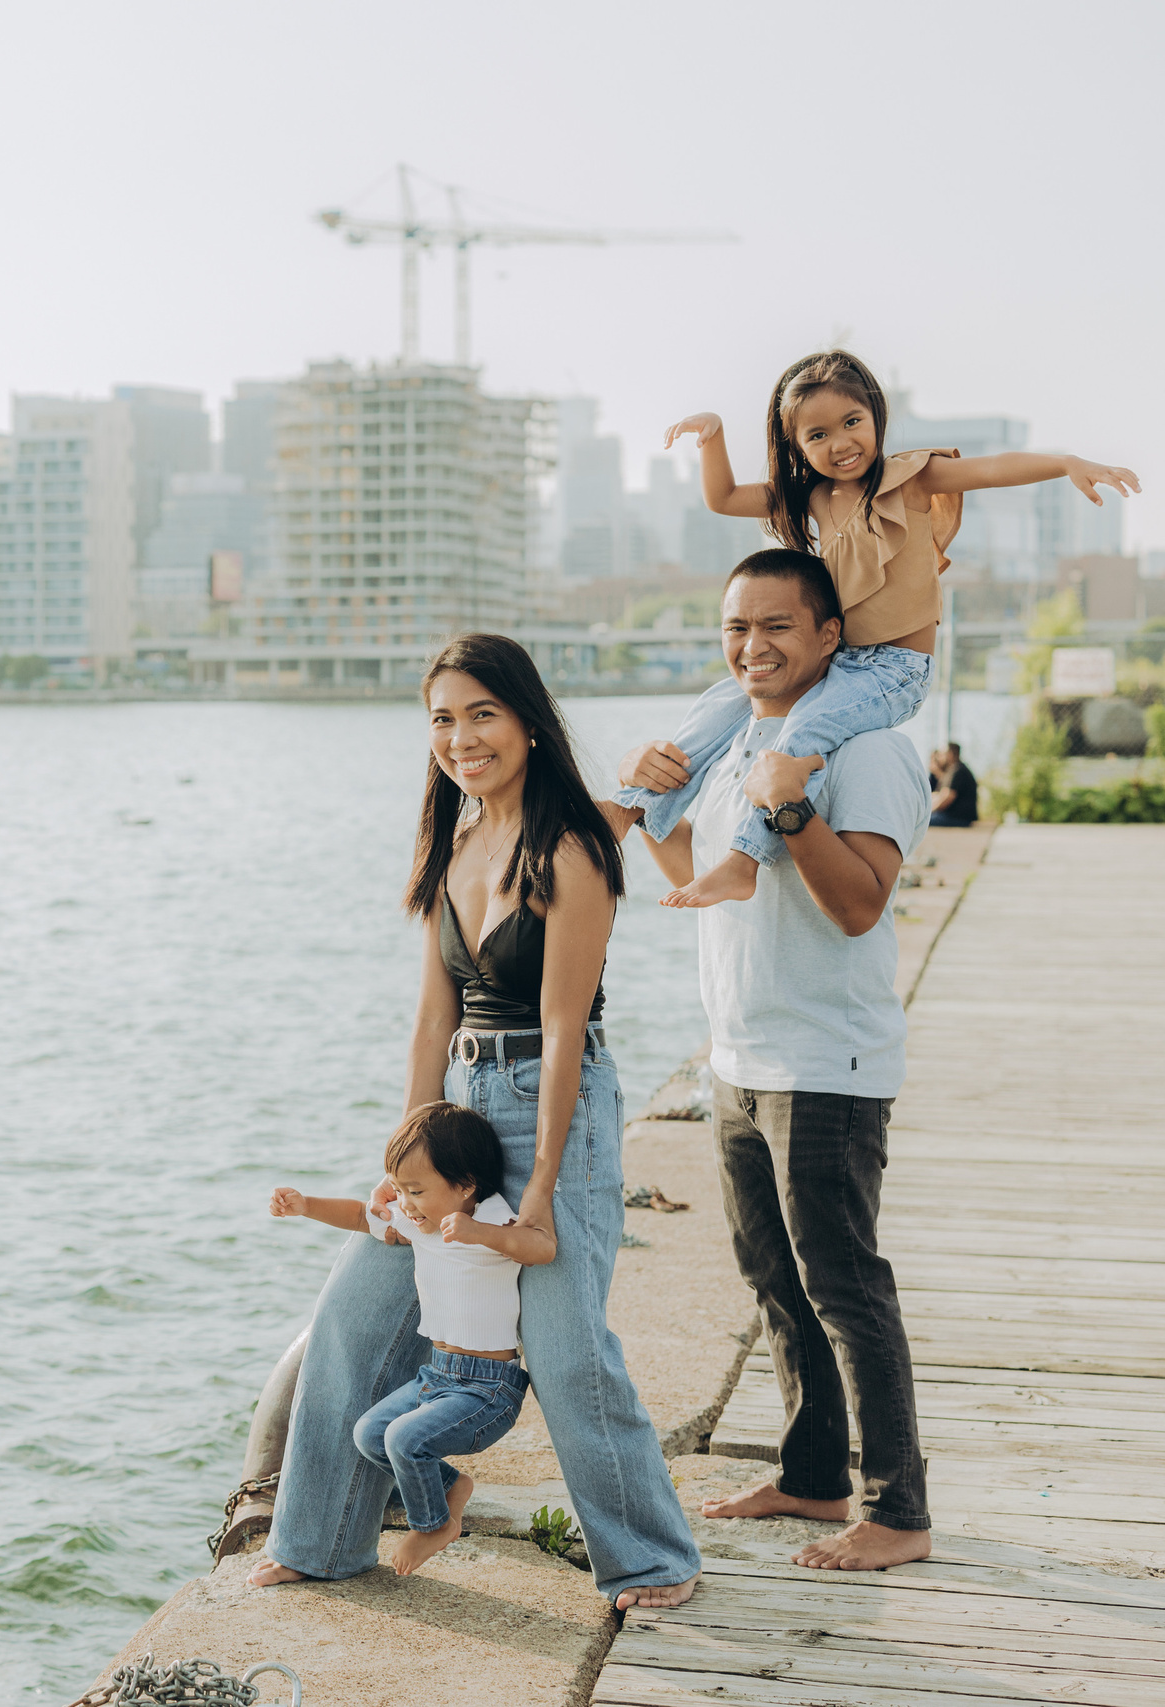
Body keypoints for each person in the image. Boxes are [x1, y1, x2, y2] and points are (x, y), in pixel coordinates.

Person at [249, 632, 700, 1611]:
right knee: (356, 1319)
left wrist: (536, 1194)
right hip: (455, 1112)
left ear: (530, 724)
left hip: (553, 1104)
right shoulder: (452, 845)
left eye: (481, 714)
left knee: (567, 1346)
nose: (460, 737)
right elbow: (431, 1017)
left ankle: (653, 1560)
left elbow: (566, 1030)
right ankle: (320, 1540)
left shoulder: (572, 846)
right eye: (442, 720)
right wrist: (403, 1156)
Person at [618, 548, 935, 1571]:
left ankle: (897, 1512)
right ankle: (810, 1480)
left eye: (776, 628)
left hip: (826, 1062)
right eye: (734, 630)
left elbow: (856, 906)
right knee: (775, 1283)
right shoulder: (733, 743)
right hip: (739, 1060)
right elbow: (689, 875)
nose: (752, 648)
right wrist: (655, 796)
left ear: (828, 637)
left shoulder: (868, 747)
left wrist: (789, 806)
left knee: (843, 1286)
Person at [607, 350, 1137, 908]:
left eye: (852, 423)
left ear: (876, 416)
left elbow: (991, 468)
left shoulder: (909, 477)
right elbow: (723, 499)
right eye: (817, 435)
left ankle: (743, 861)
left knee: (801, 733)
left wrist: (1066, 463)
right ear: (797, 447)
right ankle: (630, 805)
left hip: (895, 671)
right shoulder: (810, 496)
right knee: (720, 703)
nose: (840, 443)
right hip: (838, 663)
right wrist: (713, 436)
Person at [267, 1101, 546, 1577]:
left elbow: (539, 1246)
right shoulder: (419, 1223)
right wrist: (307, 1206)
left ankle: (435, 1524)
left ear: (465, 1186)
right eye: (398, 1190)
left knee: (402, 1438)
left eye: (415, 1191)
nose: (405, 1203)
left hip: (488, 1388)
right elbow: (362, 1215)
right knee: (369, 1434)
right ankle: (451, 1488)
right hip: (437, 1375)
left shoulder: (494, 1216)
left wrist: (480, 1232)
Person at [929, 743, 978, 827]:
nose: (939, 758)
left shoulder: (958, 771)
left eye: (942, 755)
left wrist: (929, 812)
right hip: (956, 818)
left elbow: (947, 798)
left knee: (920, 823)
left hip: (957, 818)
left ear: (950, 754)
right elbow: (940, 795)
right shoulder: (954, 770)